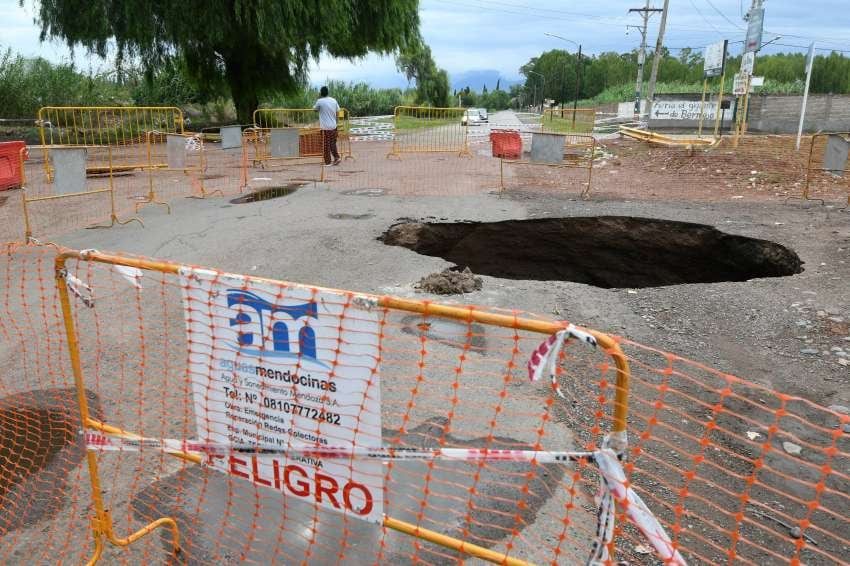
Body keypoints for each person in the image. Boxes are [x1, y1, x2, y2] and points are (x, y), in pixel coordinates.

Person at [313, 86, 341, 165]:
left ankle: (328, 162)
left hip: (325, 127)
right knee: (333, 143)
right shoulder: (333, 100)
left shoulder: (319, 101)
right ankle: (337, 157)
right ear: (328, 92)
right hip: (333, 126)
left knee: (325, 145)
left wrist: (318, 99)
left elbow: (315, 109)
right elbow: (338, 112)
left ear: (321, 93)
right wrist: (336, 122)